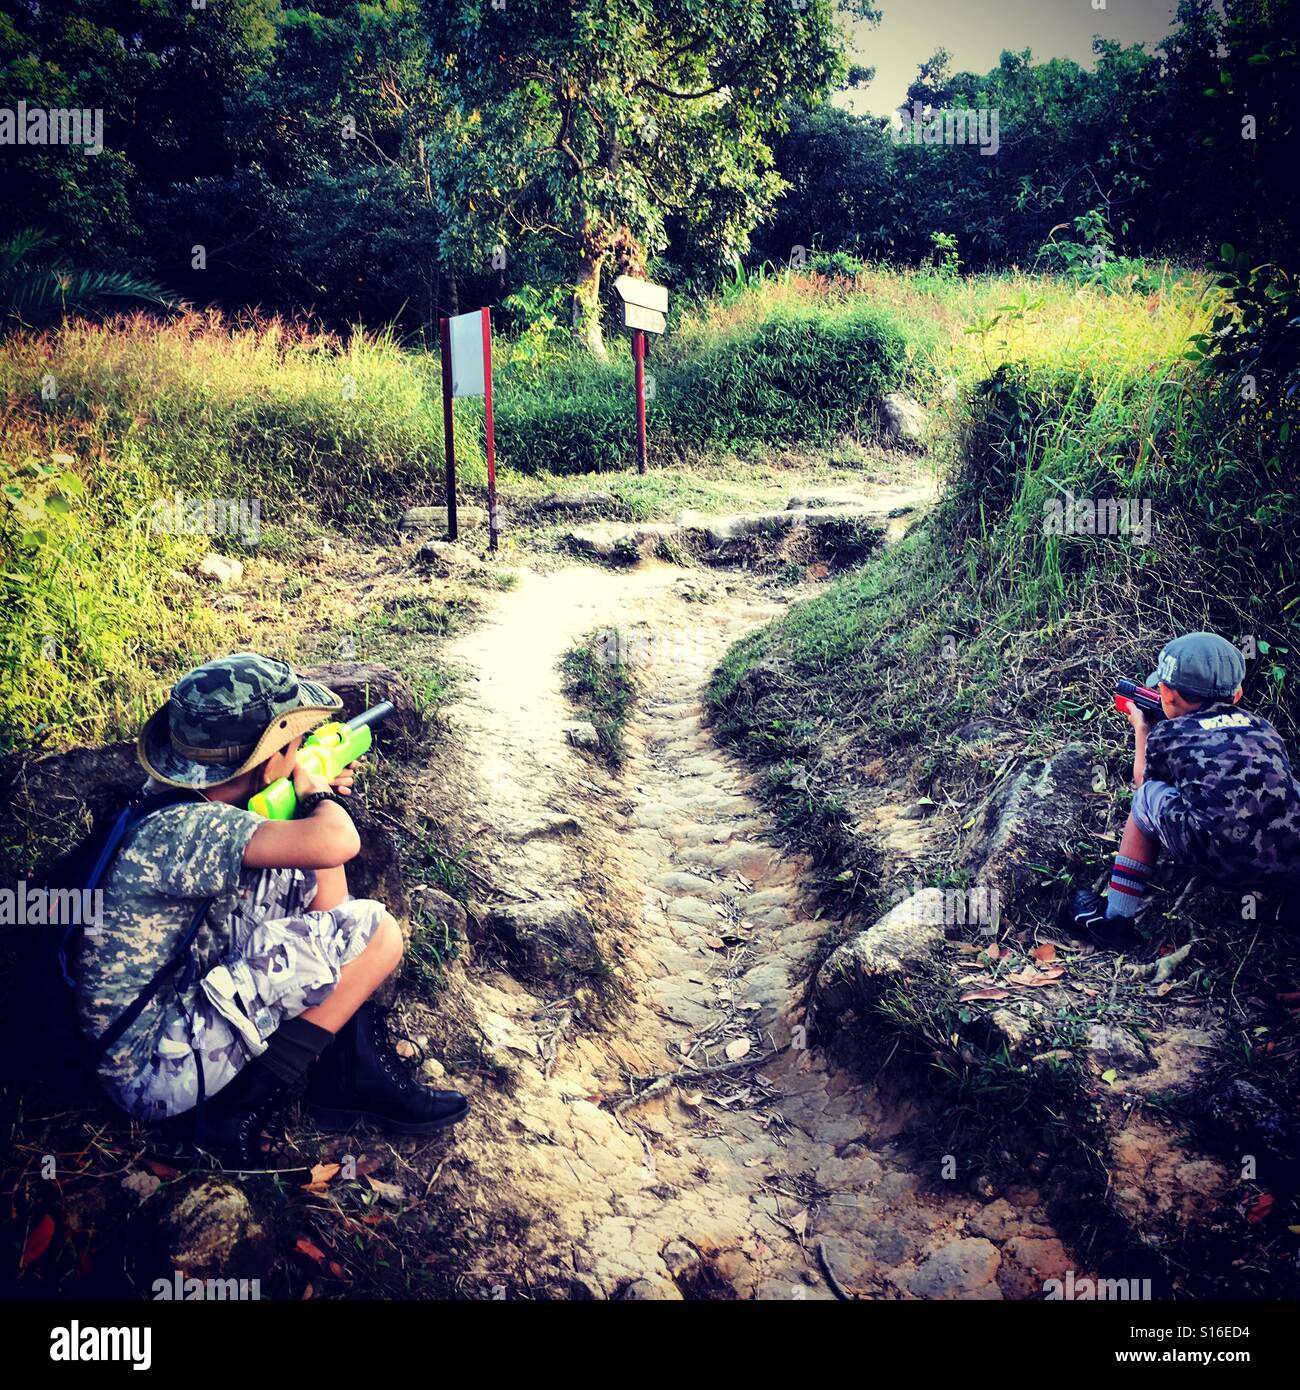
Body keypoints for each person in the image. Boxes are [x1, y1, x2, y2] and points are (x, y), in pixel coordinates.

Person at [75, 652, 468, 1168]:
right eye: (297, 743)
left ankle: (346, 1061)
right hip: (151, 1073)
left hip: (153, 1017)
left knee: (300, 871)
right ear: (266, 760)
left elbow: (313, 851)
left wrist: (301, 797)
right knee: (377, 932)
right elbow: (336, 840)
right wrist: (317, 795)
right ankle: (233, 1115)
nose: (303, 751)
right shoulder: (191, 829)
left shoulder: (174, 800)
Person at [1070, 631, 1300, 949]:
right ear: (1237, 694)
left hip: (1217, 861)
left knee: (1148, 798)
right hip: (1288, 859)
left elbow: (1144, 785)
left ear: (1166, 692)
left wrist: (1142, 728)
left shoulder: (1170, 732)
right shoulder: (1263, 728)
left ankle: (1115, 921)